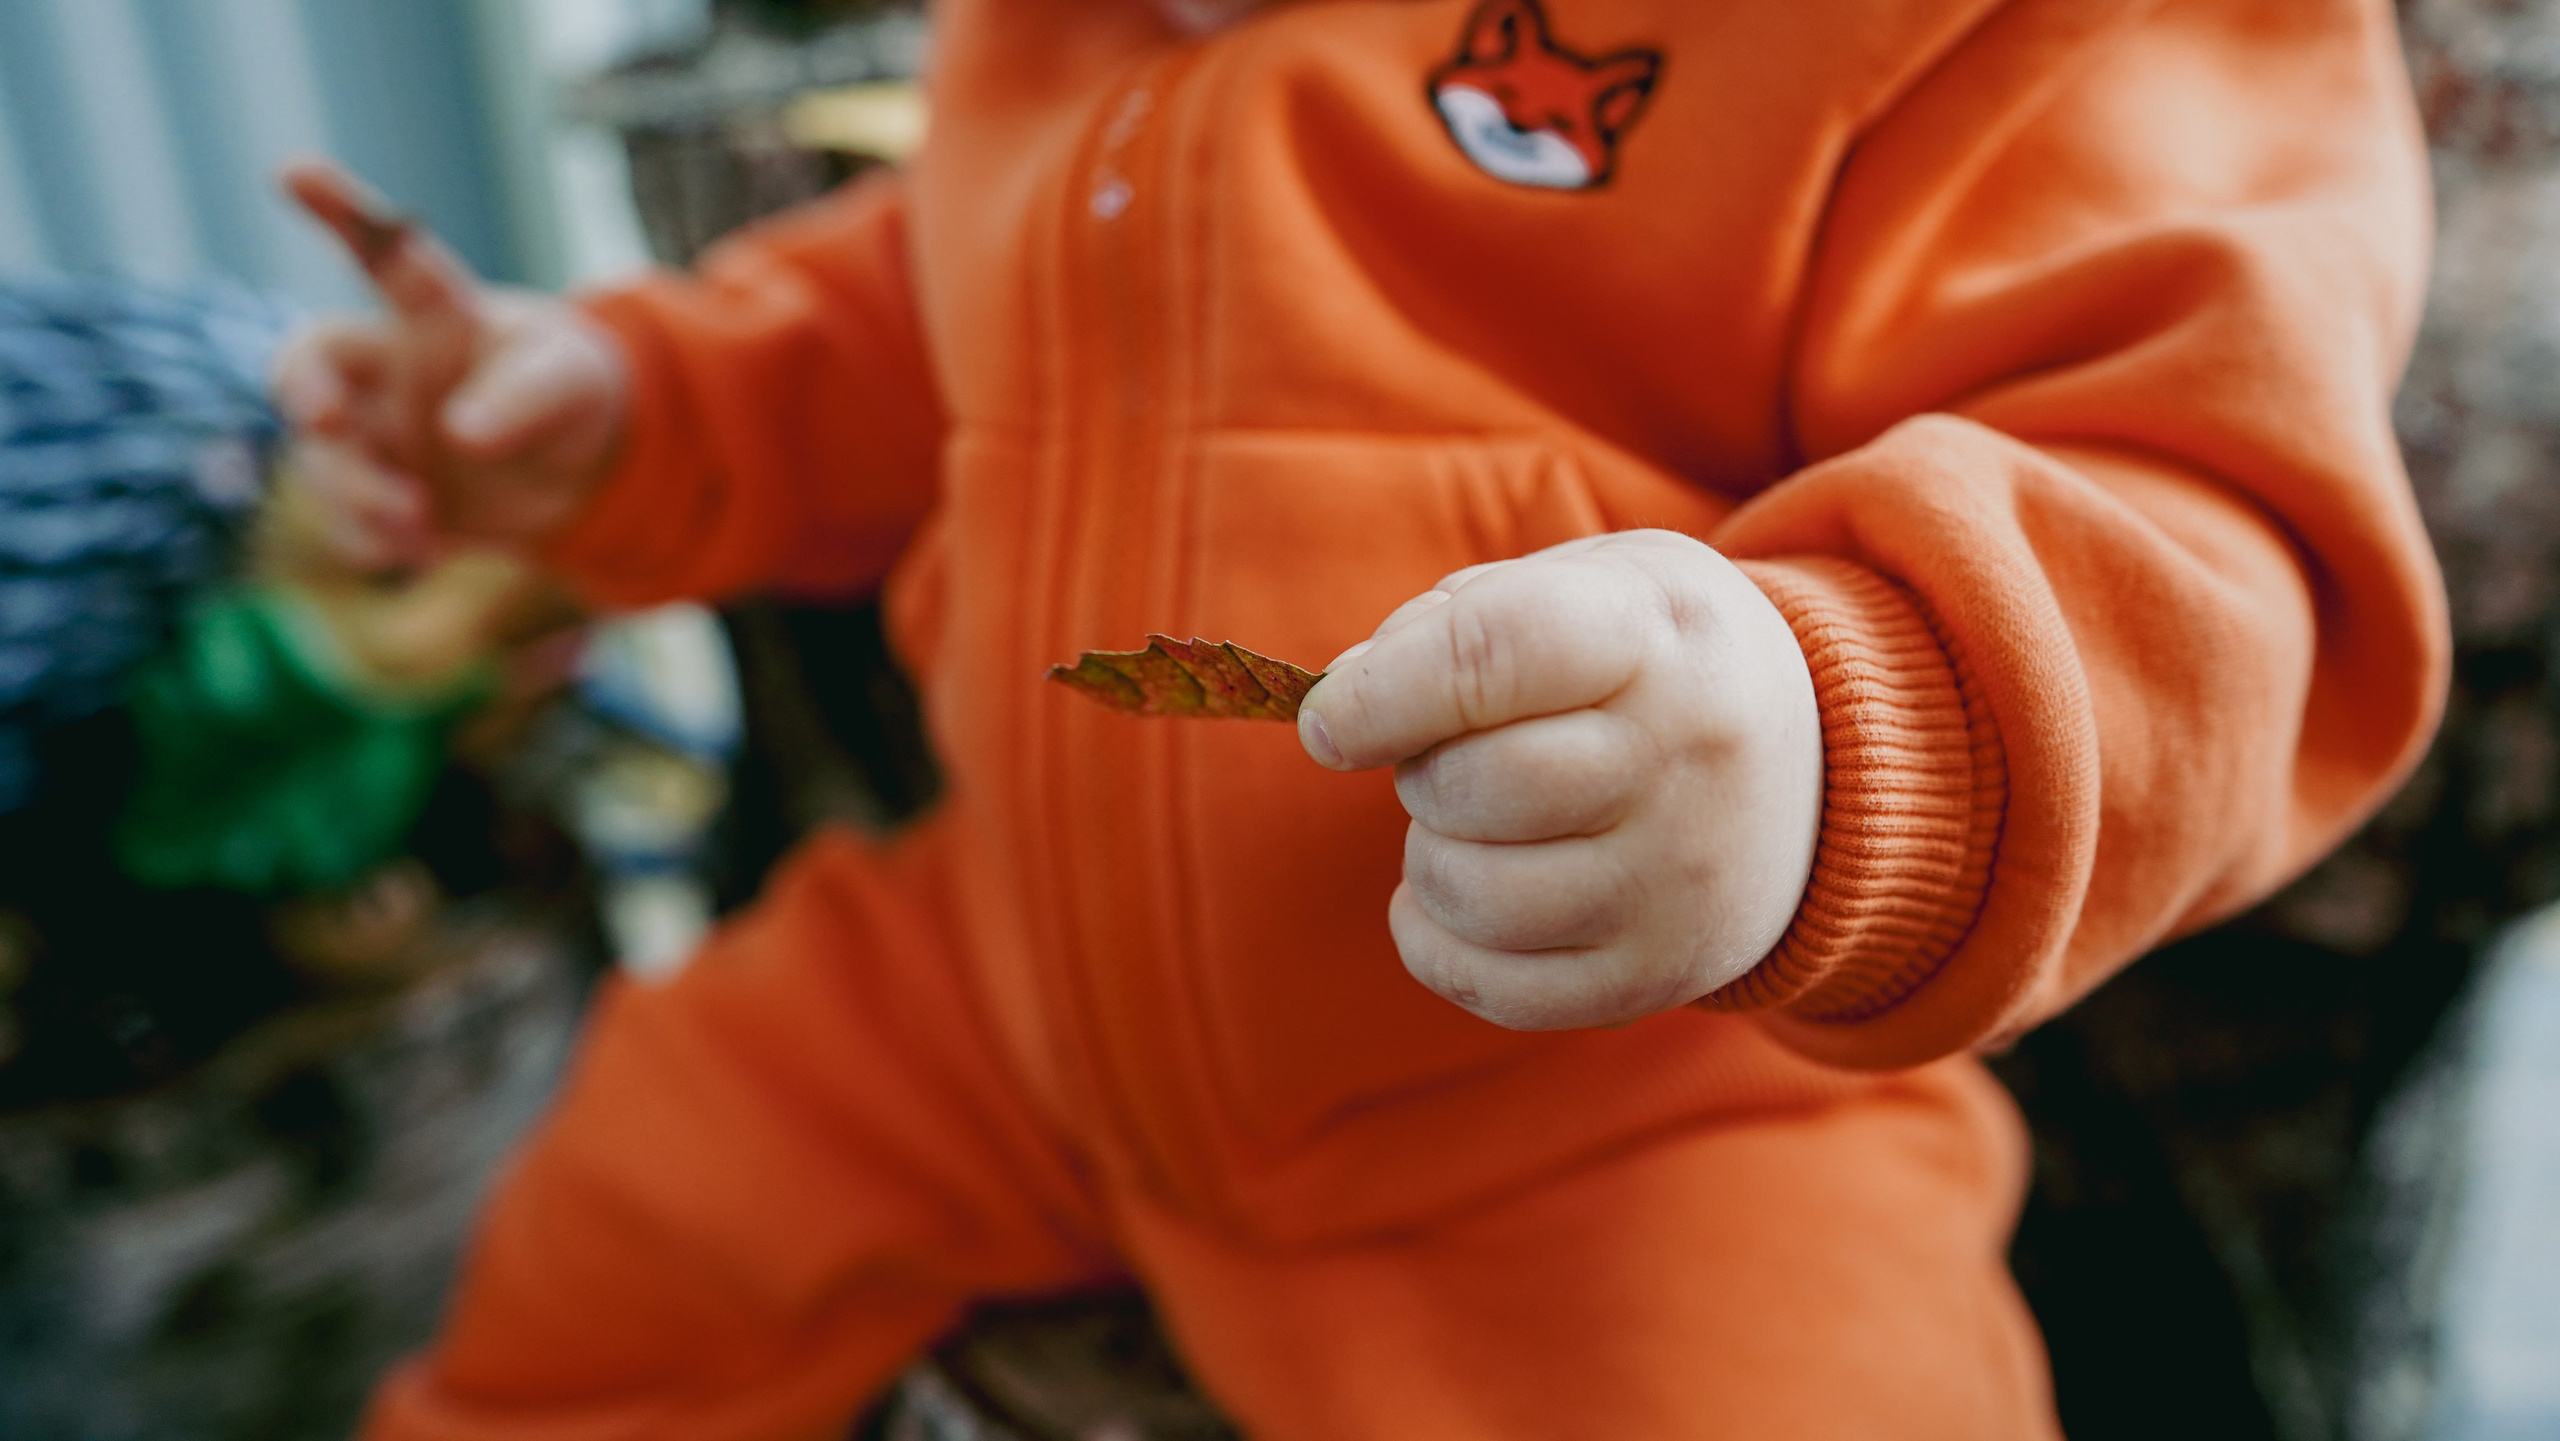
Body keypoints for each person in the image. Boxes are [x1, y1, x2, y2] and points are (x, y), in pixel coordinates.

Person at [280, 0, 2448, 1435]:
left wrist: (1837, 721)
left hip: (1596, 1110)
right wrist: (643, 407)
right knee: (608, 1256)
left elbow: (2199, 509)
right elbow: (963, 285)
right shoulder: (1088, 36)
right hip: (993, 984)